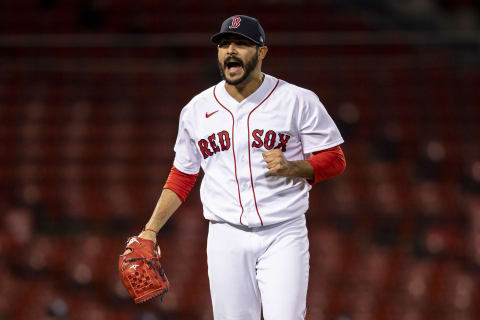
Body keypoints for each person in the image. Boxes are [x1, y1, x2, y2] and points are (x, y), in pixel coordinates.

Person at [133, 14, 346, 320]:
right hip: (225, 235)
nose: (230, 50)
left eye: (241, 43)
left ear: (261, 52)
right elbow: (183, 175)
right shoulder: (196, 109)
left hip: (283, 232)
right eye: (224, 44)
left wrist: (294, 168)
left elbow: (335, 158)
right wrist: (150, 230)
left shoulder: (297, 100)